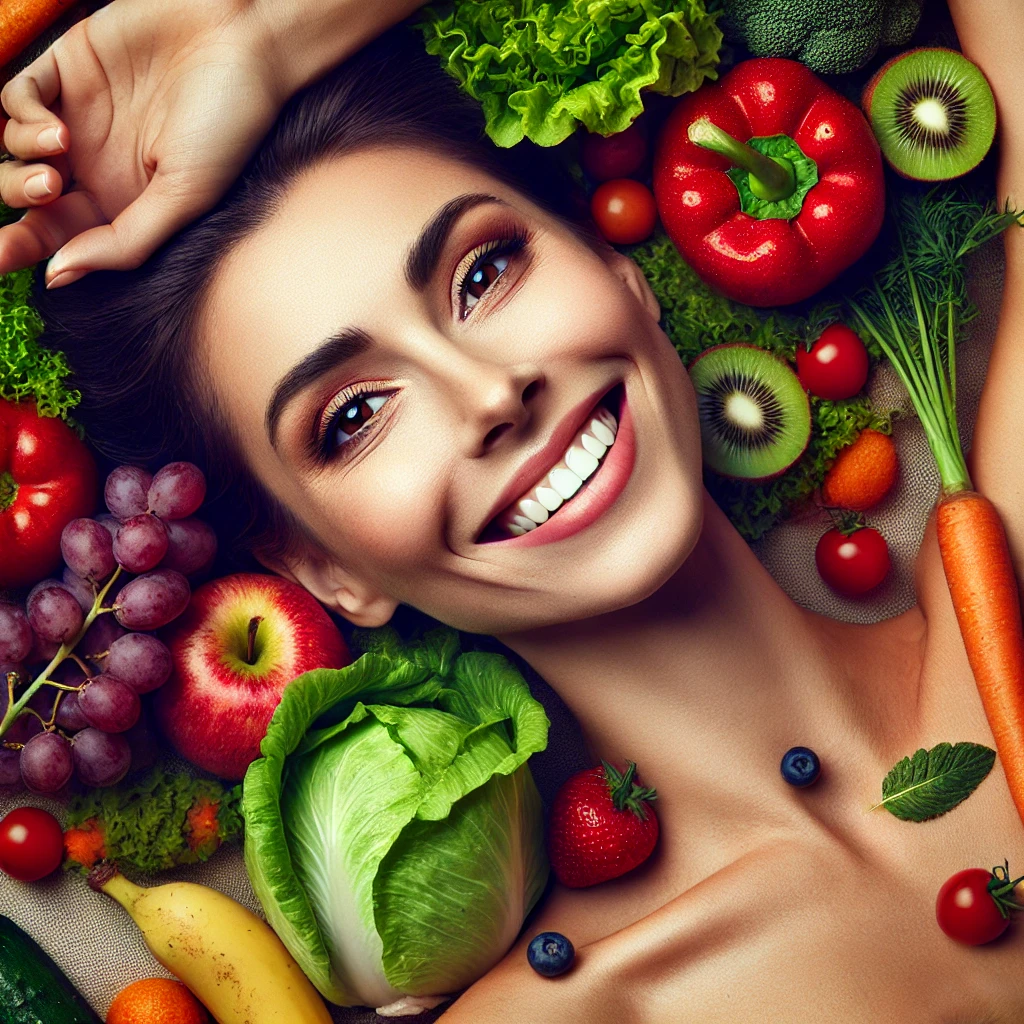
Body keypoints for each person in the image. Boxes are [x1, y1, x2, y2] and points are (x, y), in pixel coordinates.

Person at [3, 1, 1024, 1021]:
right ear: (326, 571)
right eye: (354, 416)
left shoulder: (1006, 567)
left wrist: (269, 31)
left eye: (482, 274)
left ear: (619, 271)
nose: (489, 394)